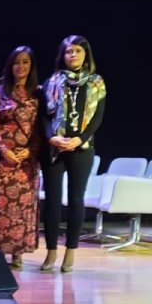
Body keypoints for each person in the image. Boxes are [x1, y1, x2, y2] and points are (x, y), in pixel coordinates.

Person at [41, 35, 107, 273]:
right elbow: (44, 117)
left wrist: (81, 138)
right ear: (63, 55)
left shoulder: (96, 82)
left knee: (76, 200)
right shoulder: (52, 81)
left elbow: (97, 117)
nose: (73, 55)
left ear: (85, 54)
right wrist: (52, 137)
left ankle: (70, 252)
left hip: (82, 147)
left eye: (78, 51)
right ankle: (50, 252)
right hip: (54, 147)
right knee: (52, 201)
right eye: (69, 52)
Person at [0, 46, 45, 269]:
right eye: (17, 62)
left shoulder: (39, 94)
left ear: (31, 66)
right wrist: (4, 150)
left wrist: (30, 151)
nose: (21, 66)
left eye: (25, 62)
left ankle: (18, 253)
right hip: (2, 159)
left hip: (26, 161)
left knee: (23, 209)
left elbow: (41, 128)